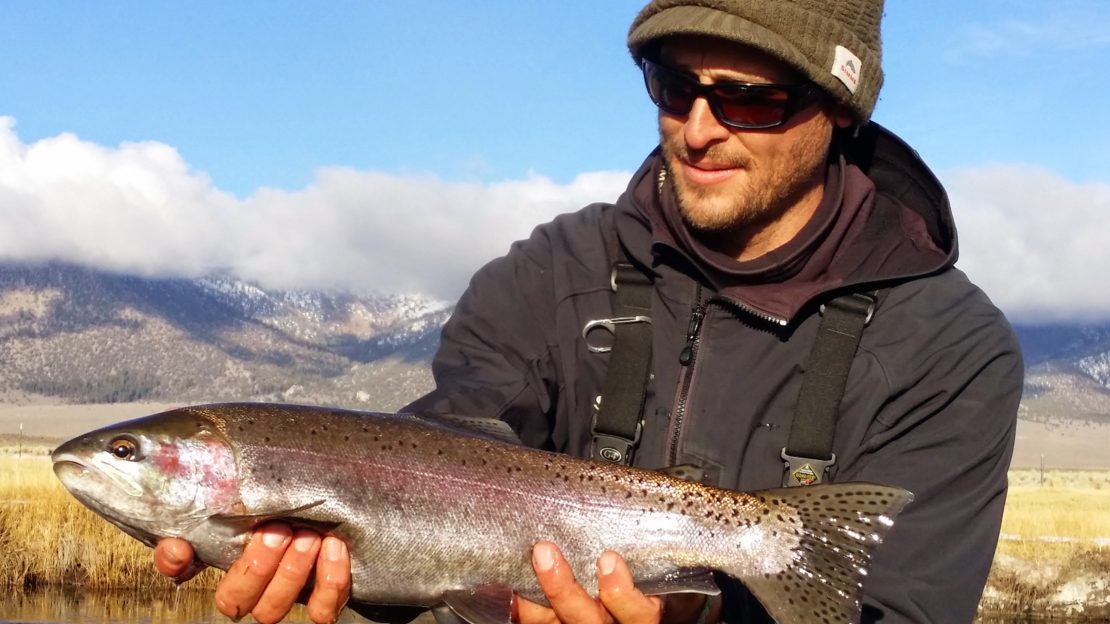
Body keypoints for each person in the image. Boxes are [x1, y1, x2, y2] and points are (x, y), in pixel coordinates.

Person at [155, 1, 1023, 622]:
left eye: (750, 98)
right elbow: (444, 456)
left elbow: (904, 607)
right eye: (673, 85)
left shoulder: (951, 348)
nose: (699, 126)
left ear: (838, 106)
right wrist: (340, 566)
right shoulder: (549, 273)